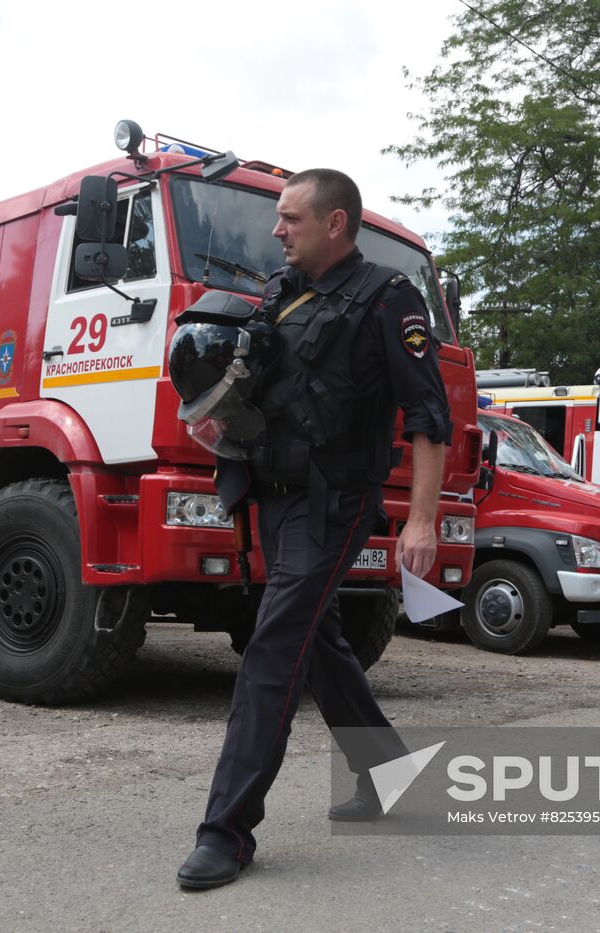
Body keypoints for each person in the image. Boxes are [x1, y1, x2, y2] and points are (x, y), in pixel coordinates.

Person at [175, 169, 453, 890]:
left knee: (274, 645)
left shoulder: (390, 301)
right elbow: (266, 379)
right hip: (271, 492)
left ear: (335, 224)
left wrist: (422, 519)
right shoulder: (277, 289)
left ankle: (226, 830)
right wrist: (221, 412)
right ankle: (387, 767)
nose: (276, 230)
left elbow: (429, 417)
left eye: (290, 218)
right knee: (315, 638)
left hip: (333, 503)